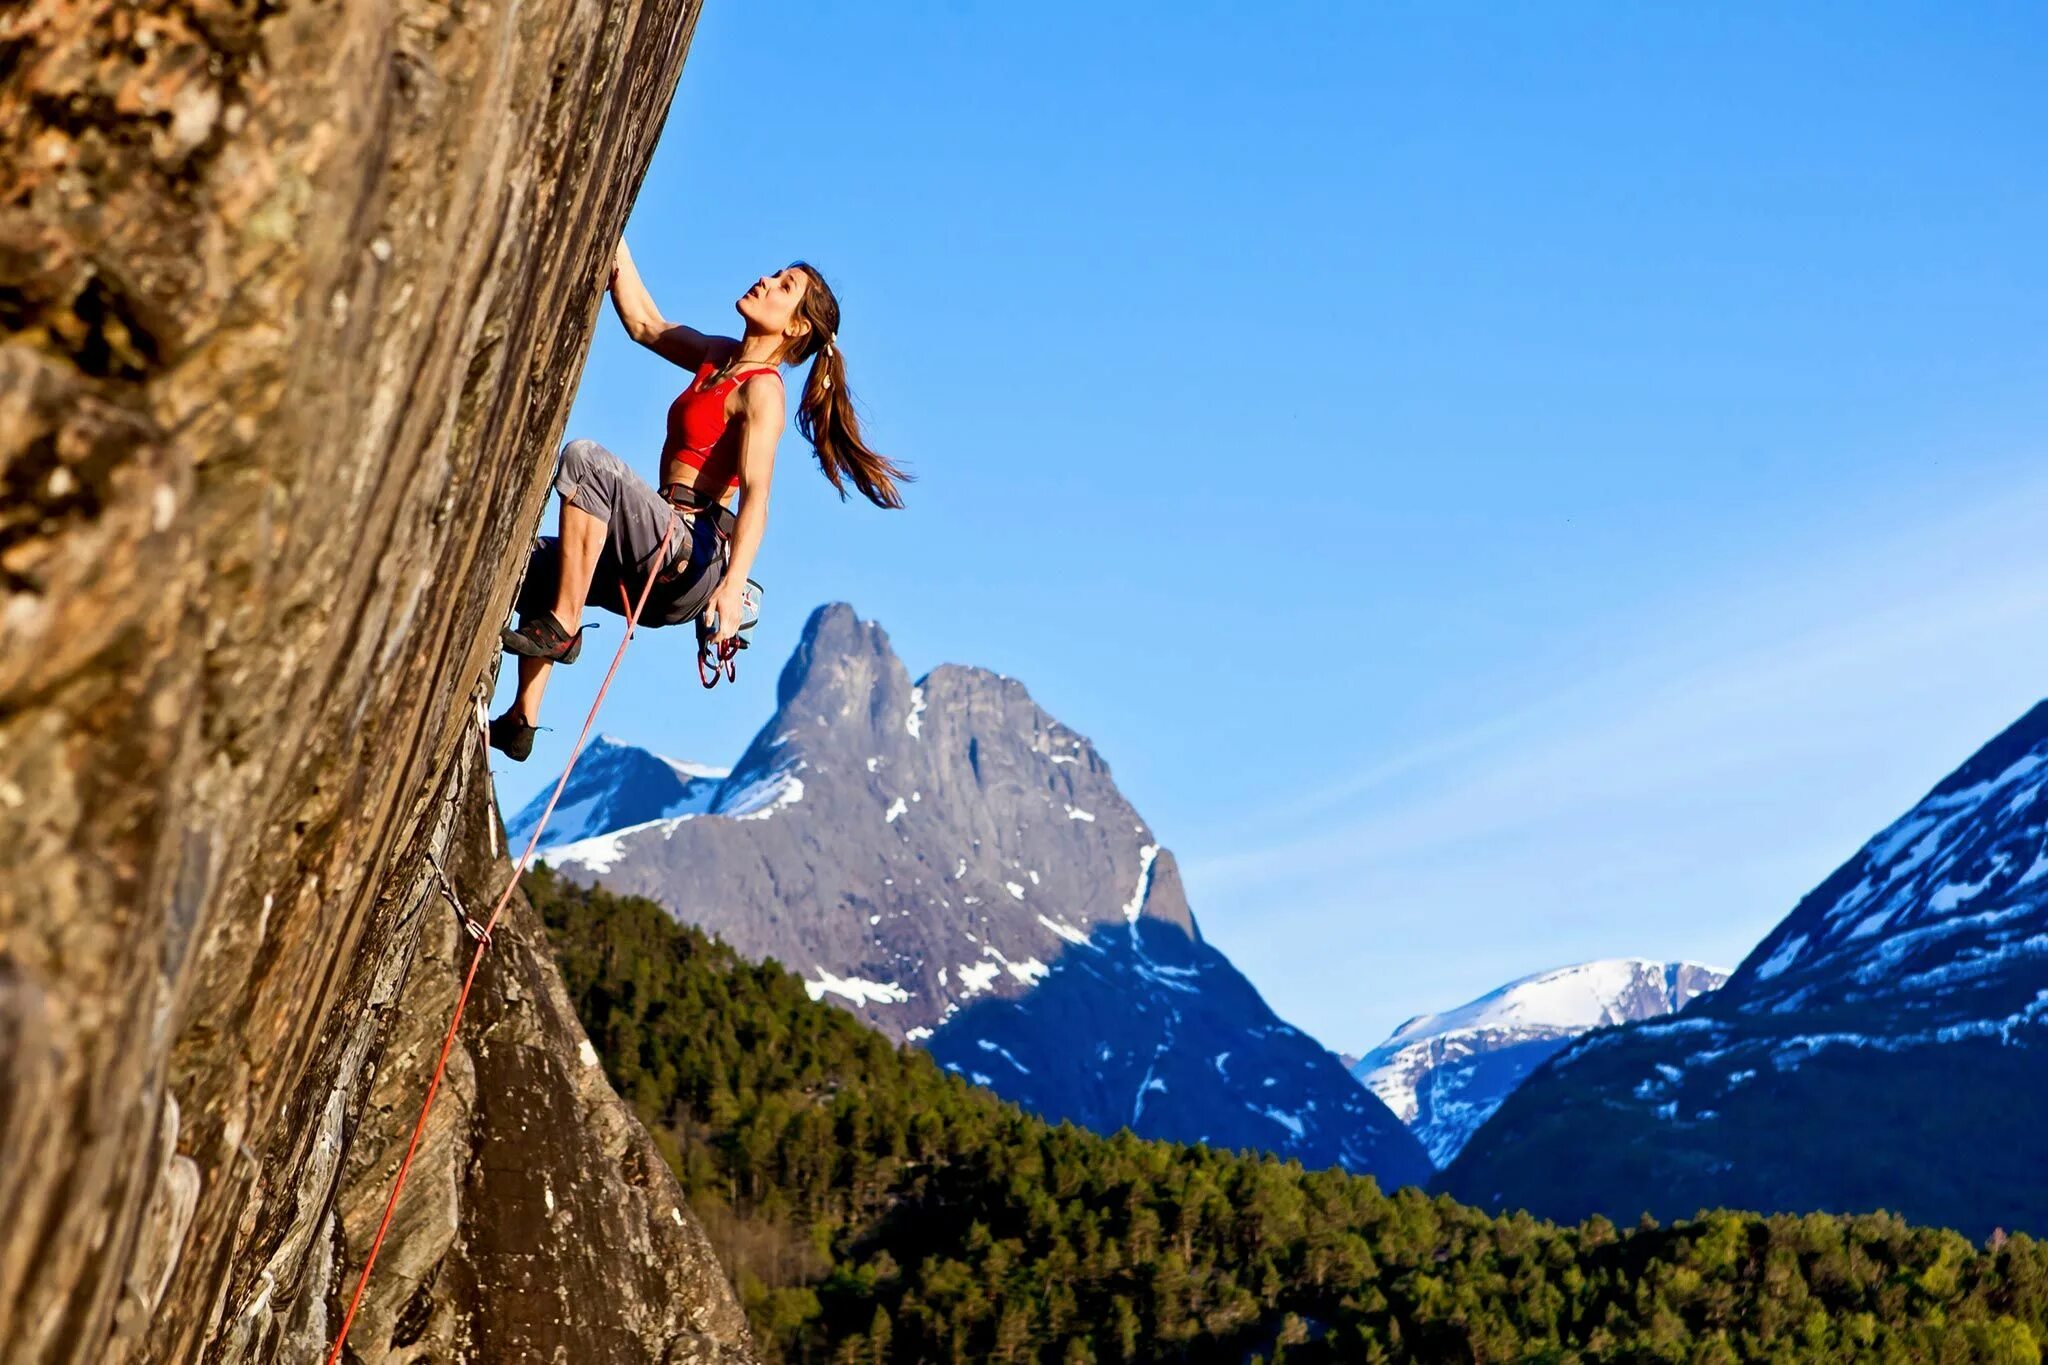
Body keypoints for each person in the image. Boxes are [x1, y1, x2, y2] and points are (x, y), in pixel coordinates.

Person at [487, 240, 910, 761]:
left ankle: (564, 628)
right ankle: (521, 719)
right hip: (656, 542)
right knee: (530, 563)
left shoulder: (763, 392)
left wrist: (732, 590)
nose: (766, 279)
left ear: (796, 327)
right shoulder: (718, 357)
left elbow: (757, 496)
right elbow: (645, 324)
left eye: (784, 286)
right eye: (774, 272)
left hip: (689, 552)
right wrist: (612, 235)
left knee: (587, 461)